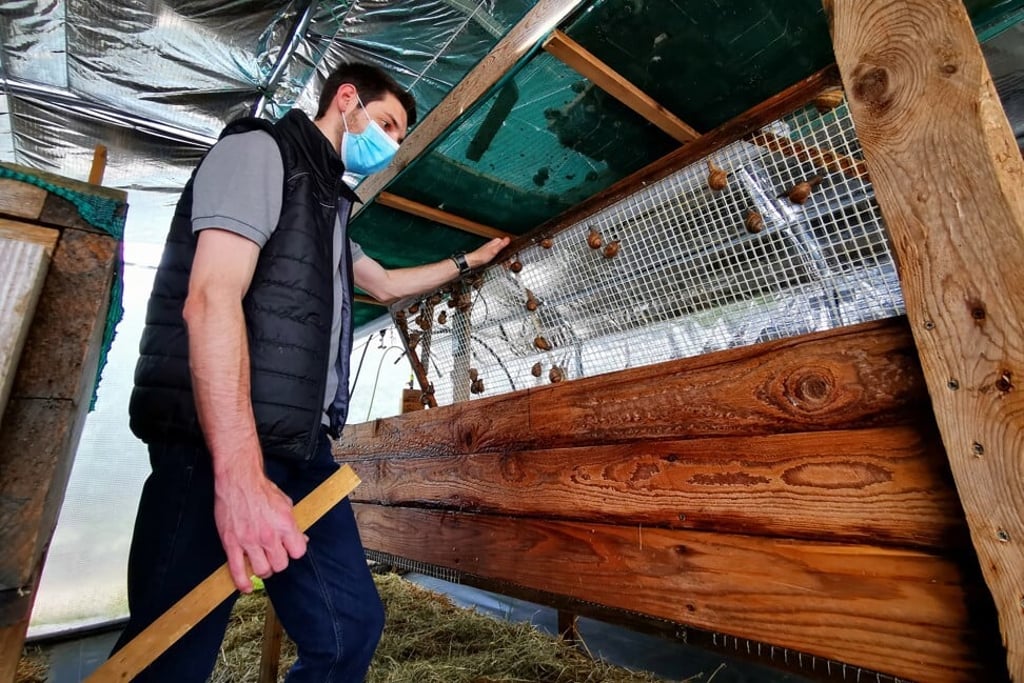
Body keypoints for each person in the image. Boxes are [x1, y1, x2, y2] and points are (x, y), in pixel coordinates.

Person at [115, 62, 509, 681]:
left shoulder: (328, 206)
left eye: (399, 135)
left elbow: (384, 284)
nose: (390, 144)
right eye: (386, 124)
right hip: (215, 446)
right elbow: (211, 299)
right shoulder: (258, 152)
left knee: (349, 628)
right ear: (346, 99)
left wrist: (469, 261)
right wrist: (239, 476)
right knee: (171, 651)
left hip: (301, 448)